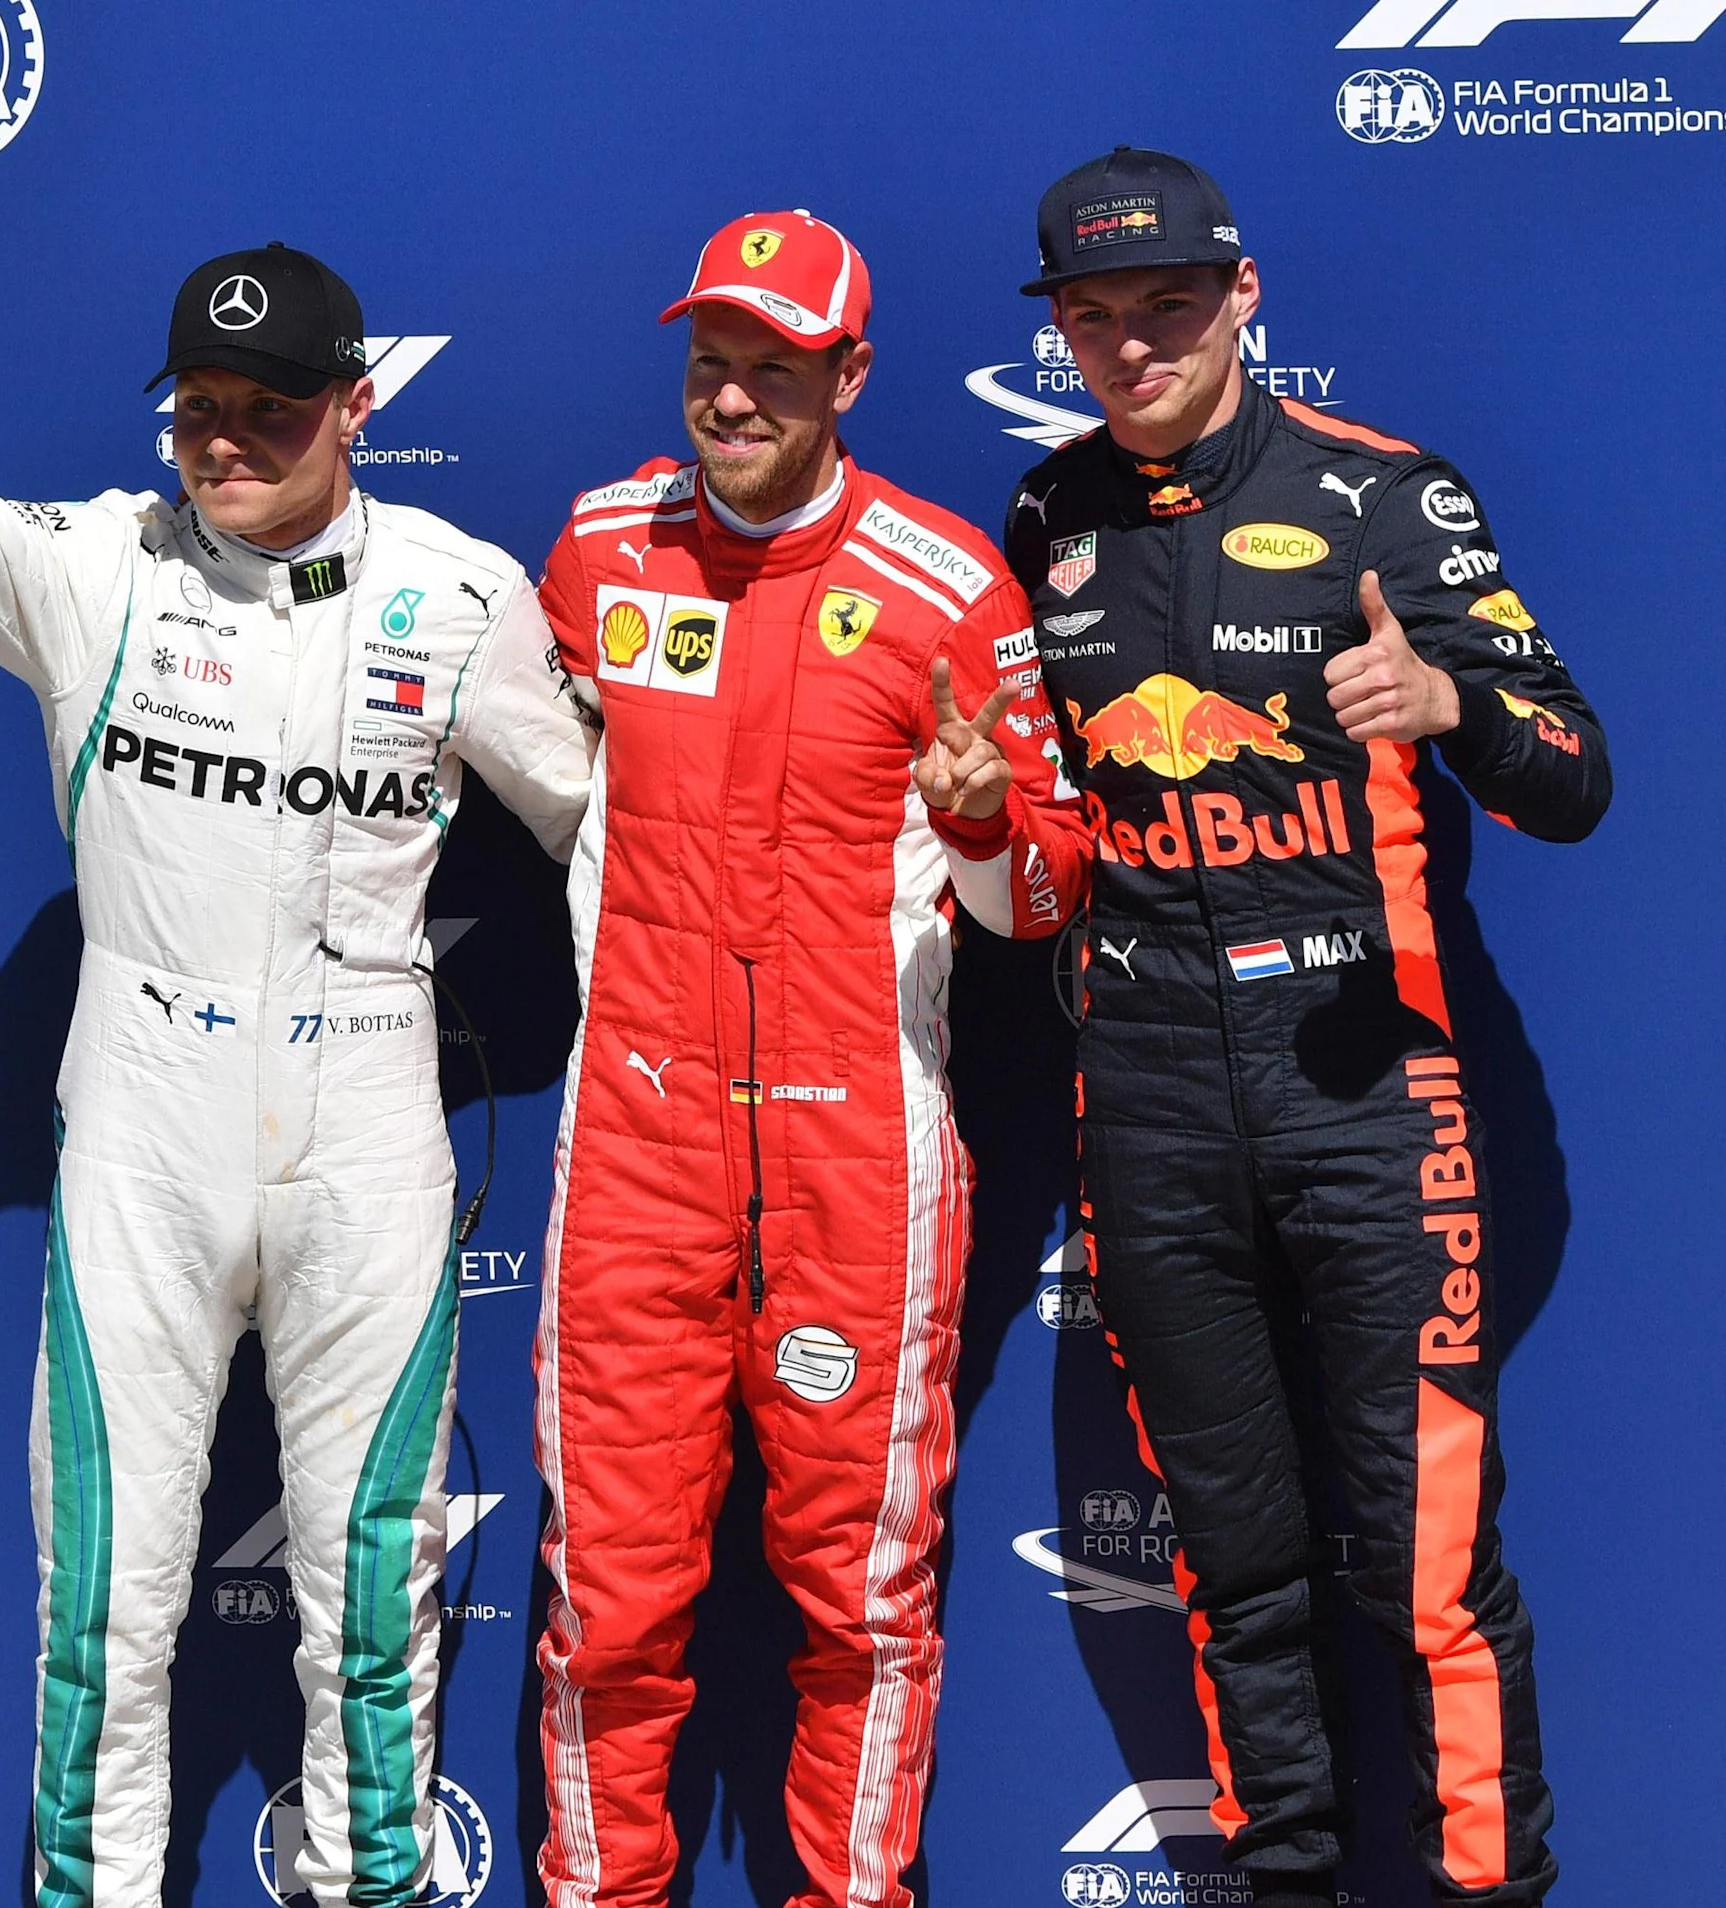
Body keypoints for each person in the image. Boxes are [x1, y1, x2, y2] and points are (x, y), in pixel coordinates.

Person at [0, 131, 595, 1908]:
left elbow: (603, 823)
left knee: (374, 1589)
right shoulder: (98, 566)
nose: (227, 440)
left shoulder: (458, 592)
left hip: (370, 1124)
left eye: (272, 408)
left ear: (356, 406)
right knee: (105, 1598)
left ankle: (368, 1889)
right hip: (143, 1123)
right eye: (199, 409)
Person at [1007, 147, 1611, 1907]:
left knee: (1426, 1573)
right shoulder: (1045, 518)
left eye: (1169, 307)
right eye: (1094, 319)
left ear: (1244, 294)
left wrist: (1448, 704)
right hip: (1146, 1089)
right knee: (1234, 1569)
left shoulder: (1386, 495)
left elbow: (1576, 775)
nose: (1133, 347)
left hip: (1365, 1080)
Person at [526, 209, 1091, 1908]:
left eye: (773, 368)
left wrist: (981, 822)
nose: (733, 396)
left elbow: (1041, 896)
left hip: (860, 1163)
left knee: (862, 1612)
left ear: (849, 377)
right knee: (607, 1608)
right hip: (636, 1150)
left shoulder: (948, 586)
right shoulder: (601, 549)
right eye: (713, 361)